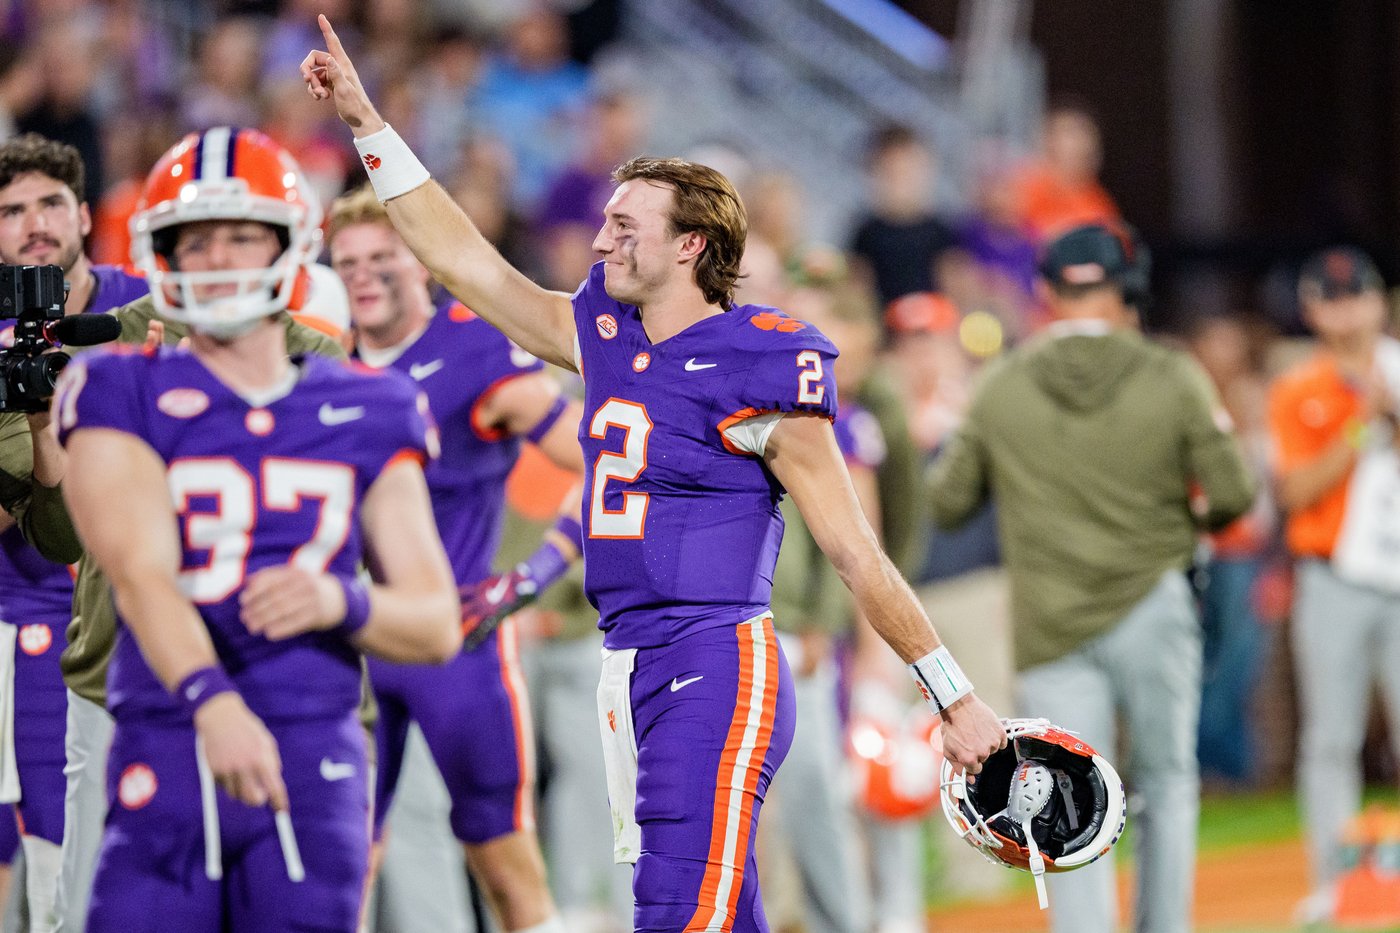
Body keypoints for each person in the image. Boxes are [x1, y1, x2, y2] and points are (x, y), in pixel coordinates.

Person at [303, 17, 1007, 931]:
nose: (600, 242)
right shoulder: (605, 335)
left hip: (714, 658)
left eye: (625, 226)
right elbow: (462, 260)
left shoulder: (764, 364)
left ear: (690, 247)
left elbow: (857, 553)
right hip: (627, 656)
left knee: (675, 912)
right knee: (720, 911)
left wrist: (952, 694)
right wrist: (368, 124)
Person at [52, 124, 462, 933]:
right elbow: (139, 573)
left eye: (242, 235)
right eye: (194, 240)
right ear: (160, 254)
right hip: (168, 731)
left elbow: (436, 620)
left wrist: (339, 601)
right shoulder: (114, 387)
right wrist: (213, 703)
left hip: (315, 749)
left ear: (289, 243)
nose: (220, 259)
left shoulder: (372, 405)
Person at [927, 222, 1255, 933]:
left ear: (1045, 290)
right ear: (1126, 286)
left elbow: (947, 503)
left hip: (1048, 619)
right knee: (1167, 785)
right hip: (1154, 604)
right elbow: (1233, 493)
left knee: (1061, 798)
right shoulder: (1172, 374)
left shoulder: (1000, 383)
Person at [326, 184, 585, 933]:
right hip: (350, 645)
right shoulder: (321, 360)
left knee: (507, 868)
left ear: (423, 265)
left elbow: (607, 457)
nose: (364, 276)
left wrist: (536, 573)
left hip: (458, 643)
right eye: (347, 263)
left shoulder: (473, 349)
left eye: (382, 257)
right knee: (341, 868)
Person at [0, 132, 148, 931]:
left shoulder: (147, 306)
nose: (33, 224)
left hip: (140, 614)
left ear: (86, 214)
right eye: (11, 210)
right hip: (23, 613)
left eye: (50, 203)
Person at [1266, 246, 1400, 924]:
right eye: (1333, 297)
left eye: (1359, 295)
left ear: (1380, 301)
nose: (1348, 309)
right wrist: (1363, 423)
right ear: (1314, 308)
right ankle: (1334, 878)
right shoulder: (1299, 386)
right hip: (1334, 576)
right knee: (1330, 736)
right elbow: (1293, 489)